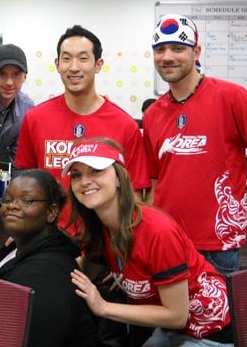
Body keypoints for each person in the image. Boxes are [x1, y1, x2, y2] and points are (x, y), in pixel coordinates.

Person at [65, 138, 233, 347]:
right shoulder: (100, 227)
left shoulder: (157, 230)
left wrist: (103, 307)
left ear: (119, 178)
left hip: (211, 331)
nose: (85, 181)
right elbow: (76, 274)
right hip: (171, 330)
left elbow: (176, 315)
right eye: (76, 175)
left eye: (96, 170)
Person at [143, 13, 247, 273]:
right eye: (160, 49)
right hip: (167, 241)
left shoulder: (231, 97)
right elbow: (154, 182)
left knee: (218, 314)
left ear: (196, 51)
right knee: (168, 314)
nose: (167, 57)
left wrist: (242, 203)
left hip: (217, 247)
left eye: (178, 48)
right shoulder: (153, 114)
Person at [15, 24, 150, 229]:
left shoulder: (125, 125)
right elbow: (25, 183)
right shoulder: (35, 118)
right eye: (67, 58)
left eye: (83, 58)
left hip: (104, 240)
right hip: (49, 236)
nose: (74, 67)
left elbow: (135, 195)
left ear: (98, 64)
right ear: (57, 64)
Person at [0, 169, 98, 347]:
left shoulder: (45, 275)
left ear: (51, 213)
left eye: (27, 201)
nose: (12, 206)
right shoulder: (14, 246)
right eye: (8, 200)